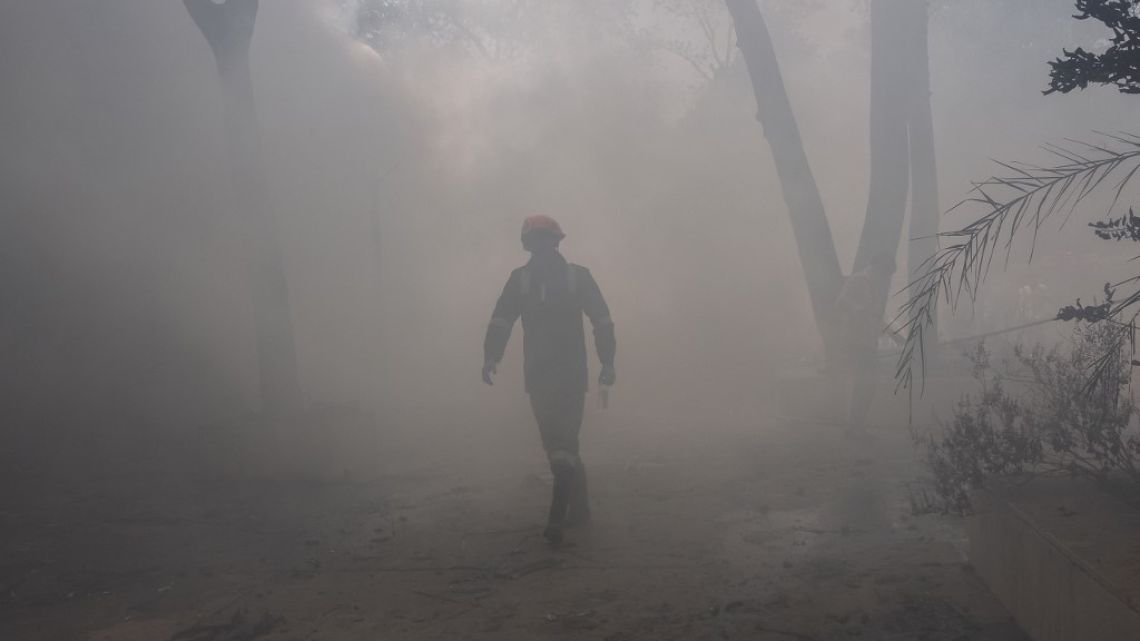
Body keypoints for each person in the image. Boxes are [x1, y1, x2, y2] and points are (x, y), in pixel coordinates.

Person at [482, 215, 616, 545]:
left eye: (545, 240)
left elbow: (602, 320)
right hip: (539, 374)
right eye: (535, 241)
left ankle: (556, 519)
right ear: (529, 245)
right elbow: (502, 319)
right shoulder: (520, 279)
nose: (540, 246)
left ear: (555, 242)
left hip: (570, 373)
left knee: (564, 443)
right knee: (558, 445)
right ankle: (580, 510)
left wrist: (608, 361)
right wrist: (491, 355)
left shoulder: (578, 277)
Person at [834, 252, 895, 433]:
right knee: (865, 383)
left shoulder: (875, 285)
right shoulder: (858, 280)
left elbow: (876, 317)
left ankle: (856, 425)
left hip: (868, 341)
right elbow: (840, 302)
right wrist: (857, 309)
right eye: (885, 274)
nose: (886, 279)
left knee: (868, 384)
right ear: (878, 268)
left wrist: (896, 336)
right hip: (856, 340)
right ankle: (854, 426)